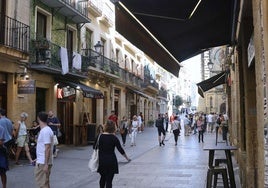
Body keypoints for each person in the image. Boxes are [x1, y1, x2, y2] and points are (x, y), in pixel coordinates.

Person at [94, 120, 131, 188]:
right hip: (111, 161)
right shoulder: (114, 138)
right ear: (113, 128)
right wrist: (127, 158)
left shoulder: (99, 137)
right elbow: (120, 149)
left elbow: (94, 147)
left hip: (102, 160)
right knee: (109, 180)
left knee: (102, 178)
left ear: (105, 127)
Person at [34, 111, 54, 188]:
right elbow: (44, 148)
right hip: (42, 160)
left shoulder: (45, 131)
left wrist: (45, 164)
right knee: (45, 183)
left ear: (38, 119)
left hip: (43, 162)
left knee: (42, 184)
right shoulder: (47, 130)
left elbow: (47, 148)